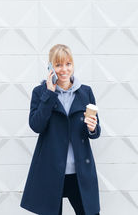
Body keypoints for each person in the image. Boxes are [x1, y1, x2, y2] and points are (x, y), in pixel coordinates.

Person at [20, 44, 101, 215]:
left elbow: (94, 131)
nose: (64, 70)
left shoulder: (85, 92)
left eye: (68, 64)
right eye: (58, 65)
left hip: (79, 172)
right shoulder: (40, 92)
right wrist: (49, 94)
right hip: (51, 170)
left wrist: (93, 129)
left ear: (73, 65)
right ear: (50, 67)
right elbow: (36, 125)